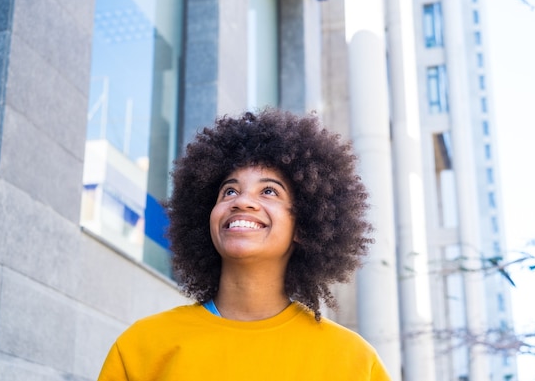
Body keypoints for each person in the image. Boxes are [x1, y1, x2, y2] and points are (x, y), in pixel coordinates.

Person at [97, 110, 391, 380]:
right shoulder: (142, 347)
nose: (242, 201)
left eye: (268, 191)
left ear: (303, 226)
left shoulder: (354, 362)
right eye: (229, 191)